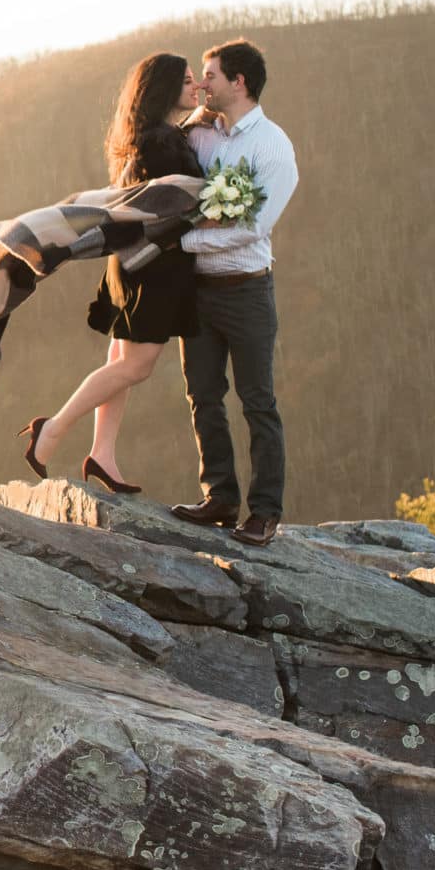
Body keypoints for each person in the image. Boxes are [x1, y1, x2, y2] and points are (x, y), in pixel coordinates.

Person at [22, 52, 203, 492]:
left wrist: (199, 118)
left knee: (120, 362)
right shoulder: (163, 144)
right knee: (136, 367)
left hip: (130, 262)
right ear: (164, 89)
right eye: (187, 81)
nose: (196, 86)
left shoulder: (150, 137)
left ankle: (102, 454)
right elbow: (178, 200)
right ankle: (53, 428)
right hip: (153, 268)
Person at [169, 38, 299, 546]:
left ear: (238, 82)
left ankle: (264, 512)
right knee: (202, 395)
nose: (202, 85)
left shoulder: (273, 147)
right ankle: (219, 496)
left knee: (257, 401)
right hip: (198, 292)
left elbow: (256, 226)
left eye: (210, 76)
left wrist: (186, 240)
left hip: (247, 292)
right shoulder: (200, 136)